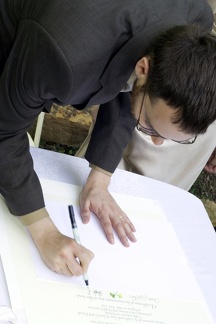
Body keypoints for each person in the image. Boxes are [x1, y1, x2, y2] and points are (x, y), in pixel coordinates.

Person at [0, 0, 216, 278]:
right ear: (143, 69)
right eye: (150, 127)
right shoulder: (65, 57)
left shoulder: (193, 20)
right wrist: (43, 231)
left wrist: (99, 179)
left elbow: (125, 78)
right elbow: (4, 132)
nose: (157, 142)